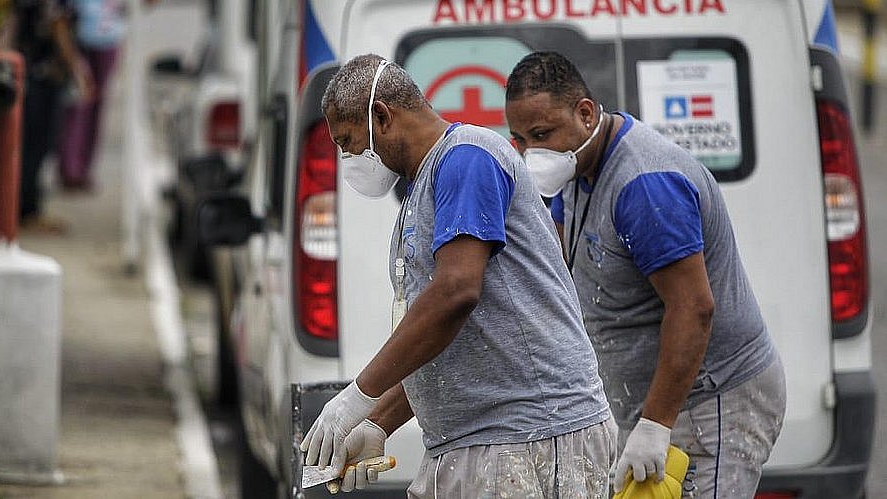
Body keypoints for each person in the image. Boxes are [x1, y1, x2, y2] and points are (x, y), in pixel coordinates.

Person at [302, 54, 615, 497]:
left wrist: (357, 398)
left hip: (529, 436)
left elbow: (455, 294)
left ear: (381, 116)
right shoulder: (423, 186)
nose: (348, 158)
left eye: (349, 141)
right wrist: (377, 424)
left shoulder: (467, 158)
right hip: (473, 440)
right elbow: (444, 340)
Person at [504, 51, 786, 498]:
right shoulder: (577, 167)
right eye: (519, 139)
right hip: (655, 405)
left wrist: (655, 425)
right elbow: (554, 262)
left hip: (709, 403)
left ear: (585, 113)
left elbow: (693, 307)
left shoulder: (644, 185)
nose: (531, 152)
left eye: (542, 134)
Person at [0, 0, 91, 232]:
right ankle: (28, 210)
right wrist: (78, 70)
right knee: (39, 144)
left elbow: (11, 23)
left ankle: (21, 205)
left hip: (23, 72)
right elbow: (60, 31)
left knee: (23, 142)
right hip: (45, 76)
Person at [59, 0, 161, 190]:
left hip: (107, 38)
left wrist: (132, 7)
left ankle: (84, 166)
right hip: (77, 38)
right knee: (78, 99)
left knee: (97, 102)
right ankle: (69, 166)